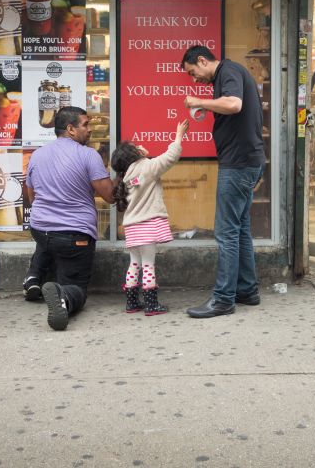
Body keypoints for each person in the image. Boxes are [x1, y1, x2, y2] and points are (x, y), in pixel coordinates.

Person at [181, 45, 266, 318]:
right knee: (240, 229)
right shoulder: (229, 74)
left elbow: (234, 104)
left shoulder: (228, 70)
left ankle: (223, 299)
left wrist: (199, 102)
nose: (194, 80)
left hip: (239, 164)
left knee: (226, 232)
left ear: (203, 61)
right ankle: (247, 290)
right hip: (247, 161)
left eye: (193, 72)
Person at [22, 106, 114, 331]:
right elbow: (110, 196)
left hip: (41, 231)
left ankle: (34, 278)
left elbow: (31, 195)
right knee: (77, 287)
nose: (90, 129)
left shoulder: (38, 154)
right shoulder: (88, 155)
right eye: (85, 124)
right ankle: (64, 295)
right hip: (74, 236)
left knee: (50, 245)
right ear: (71, 129)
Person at [110, 119, 190, 316]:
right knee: (148, 265)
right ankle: (152, 305)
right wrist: (179, 134)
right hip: (148, 225)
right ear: (134, 155)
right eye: (136, 147)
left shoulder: (126, 177)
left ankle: (131, 303)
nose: (141, 146)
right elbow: (170, 157)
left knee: (134, 263)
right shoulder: (147, 168)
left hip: (132, 228)